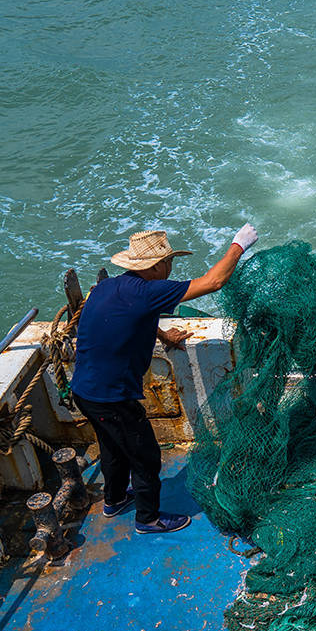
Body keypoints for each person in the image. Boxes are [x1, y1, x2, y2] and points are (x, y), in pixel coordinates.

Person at [71, 225, 259, 533]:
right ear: (155, 265)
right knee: (145, 455)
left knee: (112, 447)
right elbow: (215, 281)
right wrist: (239, 245)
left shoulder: (107, 288)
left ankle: (114, 499)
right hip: (113, 396)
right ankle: (148, 519)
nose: (171, 267)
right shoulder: (148, 292)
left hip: (85, 391)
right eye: (168, 261)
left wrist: (162, 334)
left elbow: (130, 318)